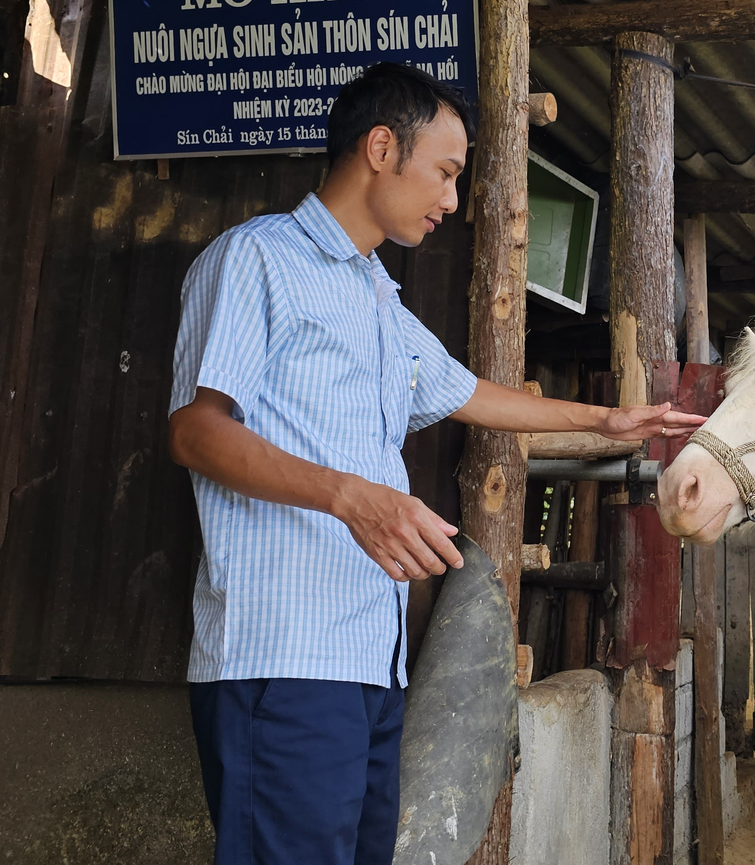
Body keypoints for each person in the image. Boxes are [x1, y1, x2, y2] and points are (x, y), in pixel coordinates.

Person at [166, 63, 704, 865]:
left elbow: (472, 393)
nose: (452, 200)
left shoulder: (378, 295)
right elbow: (197, 433)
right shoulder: (257, 260)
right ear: (381, 147)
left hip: (368, 665)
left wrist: (608, 420)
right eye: (445, 172)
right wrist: (352, 496)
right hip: (280, 660)